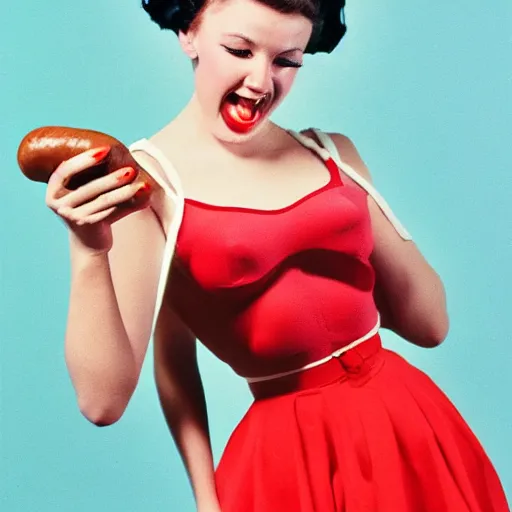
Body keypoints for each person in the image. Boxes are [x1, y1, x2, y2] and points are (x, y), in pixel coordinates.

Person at [43, 0, 509, 510]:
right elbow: (105, 399)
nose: (262, 82)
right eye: (240, 50)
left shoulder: (331, 154)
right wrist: (89, 249)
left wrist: (359, 198)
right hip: (289, 457)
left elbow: (430, 325)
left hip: (406, 425)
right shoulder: (147, 187)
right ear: (188, 33)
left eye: (287, 60)